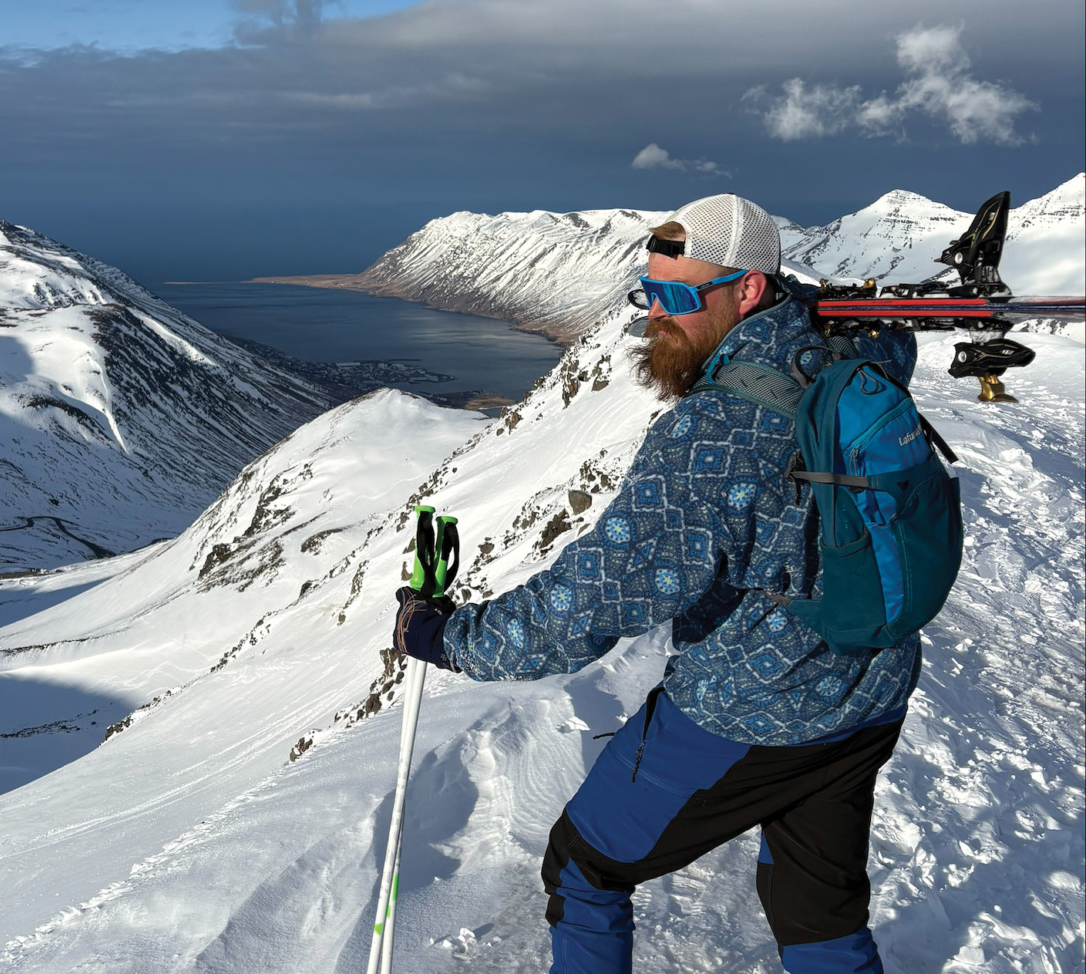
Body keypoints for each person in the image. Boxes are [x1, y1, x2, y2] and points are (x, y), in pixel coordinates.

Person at [392, 194, 921, 974]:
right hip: (869, 685)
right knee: (816, 905)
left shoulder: (717, 434)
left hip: (755, 704)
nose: (656, 315)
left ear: (748, 290)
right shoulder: (844, 355)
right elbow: (889, 338)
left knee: (585, 871)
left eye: (677, 295)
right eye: (649, 291)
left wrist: (447, 637)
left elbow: (594, 597)